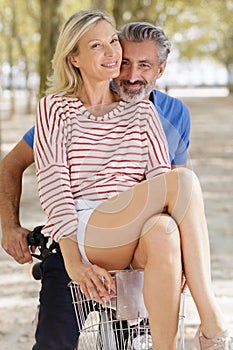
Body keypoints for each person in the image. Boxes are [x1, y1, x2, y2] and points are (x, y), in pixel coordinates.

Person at [32, 9, 231, 350]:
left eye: (113, 41)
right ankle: (211, 322)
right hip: (88, 229)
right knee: (182, 181)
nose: (112, 53)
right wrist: (73, 261)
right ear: (74, 58)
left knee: (165, 231)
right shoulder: (55, 108)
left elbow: (158, 183)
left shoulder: (142, 111)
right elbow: (53, 187)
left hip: (134, 233)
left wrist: (182, 258)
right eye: (97, 45)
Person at [0, 20, 191, 350]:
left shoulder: (171, 114)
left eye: (143, 65)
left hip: (143, 240)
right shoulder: (64, 111)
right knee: (53, 339)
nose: (130, 75)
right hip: (78, 235)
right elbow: (21, 167)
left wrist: (180, 256)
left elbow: (173, 193)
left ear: (161, 69)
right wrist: (9, 226)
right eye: (125, 61)